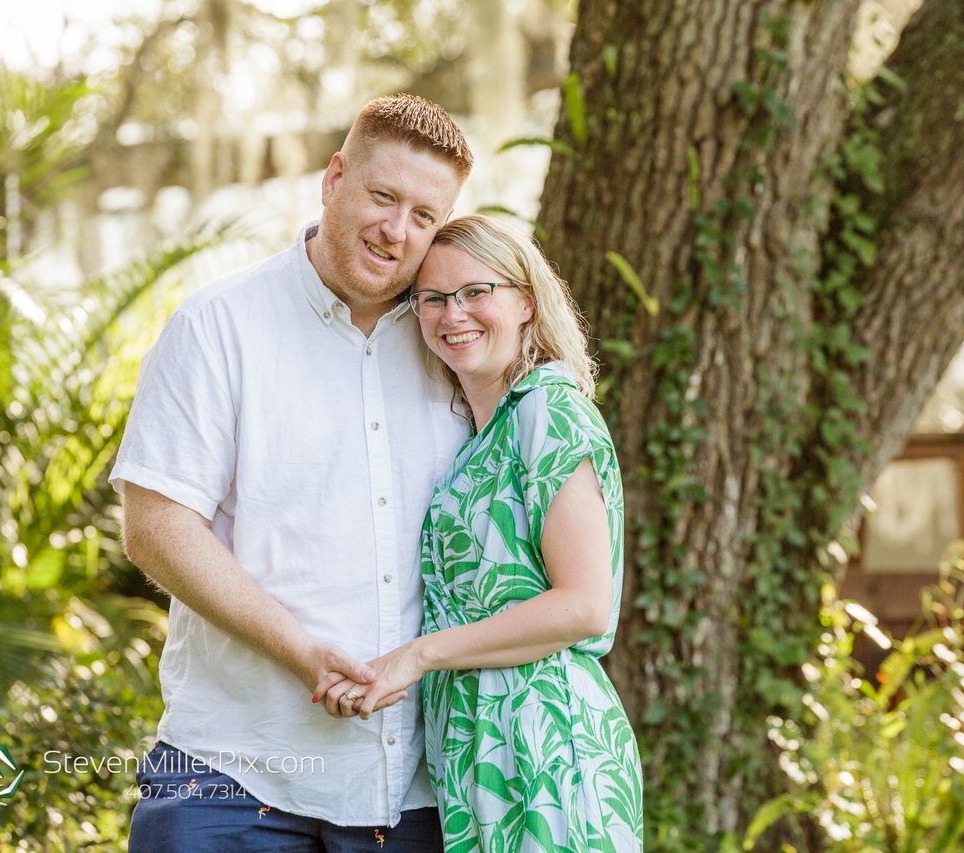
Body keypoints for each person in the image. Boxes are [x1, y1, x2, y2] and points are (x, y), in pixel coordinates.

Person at [109, 94, 474, 852]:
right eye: (383, 196)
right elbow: (156, 528)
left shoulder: (459, 345)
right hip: (231, 779)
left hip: (409, 790)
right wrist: (304, 652)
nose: (396, 230)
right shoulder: (218, 325)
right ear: (333, 177)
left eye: (424, 216)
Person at [323, 215, 644, 852]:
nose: (453, 314)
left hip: (544, 742)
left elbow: (583, 606)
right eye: (433, 298)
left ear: (525, 300)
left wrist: (417, 656)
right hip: (476, 747)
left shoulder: (547, 409)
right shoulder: (478, 435)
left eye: (477, 291)